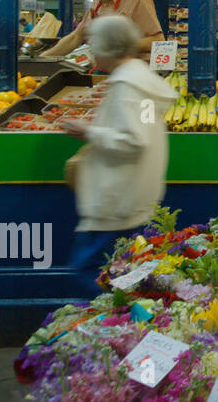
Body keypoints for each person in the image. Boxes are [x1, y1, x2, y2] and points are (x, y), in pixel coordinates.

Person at [61, 15, 179, 299]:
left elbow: (134, 140)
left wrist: (89, 132)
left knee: (92, 274)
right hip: (134, 196)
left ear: (106, 48)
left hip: (117, 202)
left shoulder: (128, 87)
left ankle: (113, 326)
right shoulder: (142, 83)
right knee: (124, 274)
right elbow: (146, 129)